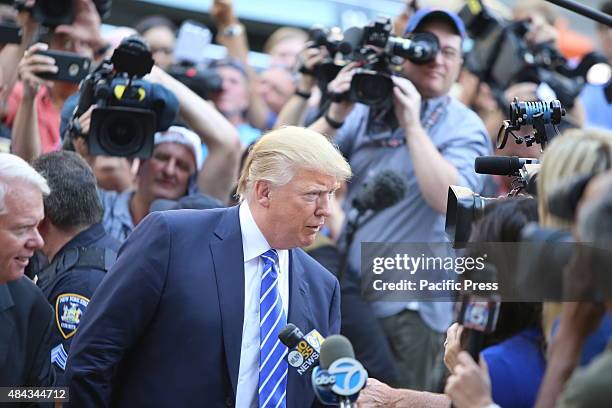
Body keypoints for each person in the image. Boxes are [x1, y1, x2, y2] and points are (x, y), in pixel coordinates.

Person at [64, 126, 351, 407]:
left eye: (331, 194)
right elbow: (94, 356)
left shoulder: (322, 287)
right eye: (313, 194)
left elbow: (317, 395)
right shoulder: (172, 238)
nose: (326, 209)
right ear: (264, 192)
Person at [309, 7, 492, 390]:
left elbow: (451, 201)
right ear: (405, 50)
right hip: (350, 289)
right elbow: (298, 163)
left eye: (450, 52)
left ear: (461, 64)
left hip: (413, 304)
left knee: (399, 397)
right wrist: (335, 112)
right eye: (427, 47)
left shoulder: (464, 125)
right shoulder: (366, 108)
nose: (437, 60)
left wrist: (411, 123)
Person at [30, 151, 120, 385]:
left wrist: (7, 395)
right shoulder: (115, 250)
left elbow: (62, 393)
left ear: (42, 212)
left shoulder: (78, 284)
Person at [0, 152, 55, 388]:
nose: (38, 242)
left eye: (38, 226)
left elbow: (42, 396)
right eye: (23, 229)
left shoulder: (32, 307)